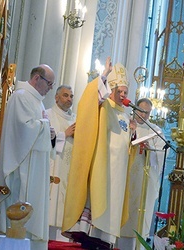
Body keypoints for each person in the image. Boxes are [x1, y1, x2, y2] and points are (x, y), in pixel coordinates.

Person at [62, 58, 137, 248]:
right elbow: (91, 98)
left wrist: (133, 134)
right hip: (102, 168)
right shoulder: (103, 106)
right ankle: (92, 236)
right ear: (110, 91)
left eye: (125, 92)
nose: (121, 95)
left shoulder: (126, 115)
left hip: (117, 174)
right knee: (97, 209)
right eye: (118, 91)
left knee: (111, 213)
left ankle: (106, 240)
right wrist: (104, 75)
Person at [0, 64, 56, 250]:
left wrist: (48, 131)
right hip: (22, 169)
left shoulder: (37, 101)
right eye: (49, 83)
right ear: (37, 78)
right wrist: (46, 127)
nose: (50, 88)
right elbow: (25, 129)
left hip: (35, 167)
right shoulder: (21, 97)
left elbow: (38, 127)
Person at [118, 98, 166, 249]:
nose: (144, 115)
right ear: (135, 109)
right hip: (127, 176)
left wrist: (149, 148)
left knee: (141, 215)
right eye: (142, 111)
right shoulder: (125, 124)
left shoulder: (156, 131)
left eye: (148, 113)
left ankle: (140, 245)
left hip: (146, 179)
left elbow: (162, 154)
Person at [46, 85, 76, 241]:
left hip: (70, 169)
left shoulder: (75, 118)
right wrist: (64, 134)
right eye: (65, 95)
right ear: (56, 97)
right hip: (54, 167)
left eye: (71, 96)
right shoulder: (48, 115)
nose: (69, 99)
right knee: (51, 213)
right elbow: (45, 142)